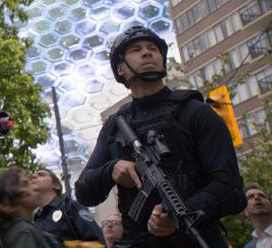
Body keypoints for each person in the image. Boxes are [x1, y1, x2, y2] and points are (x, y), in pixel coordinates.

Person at [74, 26, 247, 248]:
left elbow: (231, 188)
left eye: (153, 48)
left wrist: (181, 216)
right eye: (136, 50)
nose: (147, 53)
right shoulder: (114, 126)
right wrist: (111, 170)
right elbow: (84, 192)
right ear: (120, 69)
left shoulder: (195, 112)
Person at [0, 167, 60, 248]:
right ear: (11, 198)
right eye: (26, 183)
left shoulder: (20, 230)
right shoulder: (23, 234)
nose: (33, 186)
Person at [32, 168, 104, 243]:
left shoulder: (71, 206)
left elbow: (97, 241)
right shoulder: (36, 221)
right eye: (32, 177)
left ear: (56, 185)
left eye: (41, 175)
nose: (34, 176)